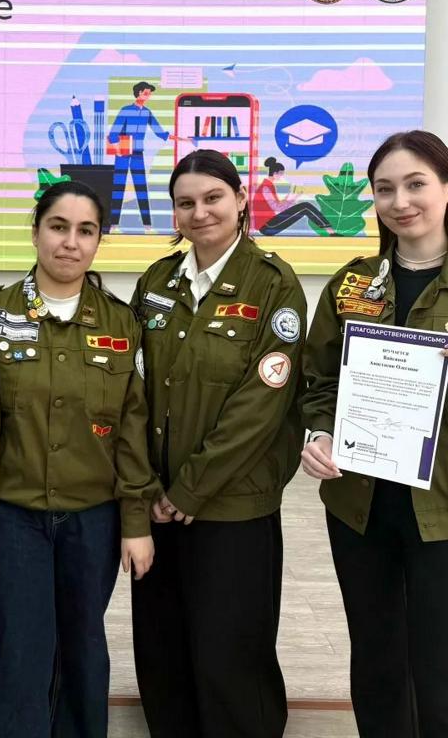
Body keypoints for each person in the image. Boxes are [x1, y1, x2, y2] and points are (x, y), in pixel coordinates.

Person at [0, 179, 158, 738]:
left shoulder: (120, 323)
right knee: (20, 650)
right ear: (36, 232)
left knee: (83, 648)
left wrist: (136, 522)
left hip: (94, 519)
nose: (71, 242)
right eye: (58, 227)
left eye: (86, 230)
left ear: (99, 240)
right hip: (12, 519)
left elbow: (132, 431)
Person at [131, 149, 307, 738]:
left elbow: (261, 405)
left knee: (231, 652)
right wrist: (147, 487)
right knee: (163, 648)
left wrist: (191, 489)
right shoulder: (157, 281)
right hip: (158, 503)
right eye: (186, 203)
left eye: (213, 198)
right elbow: (133, 389)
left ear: (239, 200)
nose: (200, 212)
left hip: (232, 505)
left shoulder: (274, 285)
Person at [301, 130, 448, 738]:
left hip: (441, 508)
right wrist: (318, 434)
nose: (400, 201)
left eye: (416, 184)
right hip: (360, 503)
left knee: (439, 662)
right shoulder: (353, 282)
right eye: (384, 189)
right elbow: (317, 380)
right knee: (377, 653)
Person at [108, 82, 174, 234]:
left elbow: (160, 132)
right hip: (123, 154)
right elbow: (113, 133)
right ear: (138, 93)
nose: (148, 96)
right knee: (118, 188)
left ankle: (147, 225)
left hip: (137, 154)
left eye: (149, 93)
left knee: (141, 188)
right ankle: (113, 224)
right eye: (146, 93)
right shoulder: (125, 110)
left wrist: (179, 138)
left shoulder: (147, 113)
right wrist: (118, 150)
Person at [252, 155, 333, 235]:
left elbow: (277, 206)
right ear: (275, 173)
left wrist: (290, 198)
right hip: (267, 227)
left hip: (269, 224)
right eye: (281, 174)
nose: (281, 176)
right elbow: (278, 208)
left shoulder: (267, 186)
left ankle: (330, 230)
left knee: (305, 206)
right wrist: (292, 198)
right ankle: (330, 231)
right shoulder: (266, 188)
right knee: (305, 206)